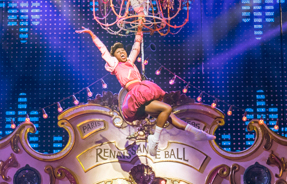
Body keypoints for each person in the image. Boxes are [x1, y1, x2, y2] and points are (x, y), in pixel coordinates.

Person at [76, 27, 214, 154]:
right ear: (115, 57)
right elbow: (102, 49)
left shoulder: (130, 61)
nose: (122, 52)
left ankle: (196, 132)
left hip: (144, 91)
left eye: (122, 50)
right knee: (166, 109)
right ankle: (154, 140)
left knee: (169, 116)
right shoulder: (114, 64)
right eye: (118, 52)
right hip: (136, 96)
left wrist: (140, 25)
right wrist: (91, 34)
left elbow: (137, 43)